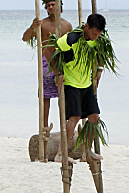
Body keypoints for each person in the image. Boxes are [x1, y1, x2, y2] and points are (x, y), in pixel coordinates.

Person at [43, 13, 107, 164]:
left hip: (86, 84)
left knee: (94, 117)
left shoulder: (96, 41)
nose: (94, 37)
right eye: (93, 33)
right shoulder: (70, 39)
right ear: (86, 27)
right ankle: (61, 153)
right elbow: (47, 51)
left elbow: (100, 56)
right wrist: (57, 73)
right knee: (75, 117)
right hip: (71, 83)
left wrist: (98, 71)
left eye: (98, 35)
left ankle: (87, 151)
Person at [22, 0, 73, 129]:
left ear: (60, 7)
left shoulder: (67, 25)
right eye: (49, 5)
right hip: (46, 63)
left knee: (63, 96)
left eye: (53, 4)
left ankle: (64, 126)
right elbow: (25, 38)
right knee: (45, 98)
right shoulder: (42, 24)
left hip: (62, 62)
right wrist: (32, 27)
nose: (51, 7)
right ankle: (44, 127)